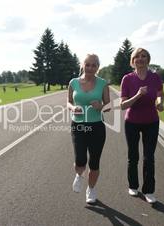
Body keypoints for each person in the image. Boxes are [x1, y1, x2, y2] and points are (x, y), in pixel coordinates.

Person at [120, 48, 164, 204]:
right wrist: (138, 95)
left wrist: (160, 104)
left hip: (151, 122)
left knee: (149, 157)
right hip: (131, 122)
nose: (140, 59)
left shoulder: (155, 77)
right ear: (133, 61)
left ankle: (149, 191)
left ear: (148, 59)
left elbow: (160, 94)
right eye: (137, 56)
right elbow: (123, 105)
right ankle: (133, 186)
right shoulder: (127, 79)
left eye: (144, 56)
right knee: (133, 156)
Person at [67, 54, 110, 204]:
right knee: (80, 160)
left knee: (94, 161)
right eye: (88, 64)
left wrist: (101, 107)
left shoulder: (103, 83)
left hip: (96, 126)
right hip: (78, 126)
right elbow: (68, 102)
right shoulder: (73, 82)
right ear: (83, 65)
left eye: (94, 65)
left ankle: (91, 189)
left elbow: (109, 106)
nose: (90, 68)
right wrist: (73, 108)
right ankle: (79, 176)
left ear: (97, 67)